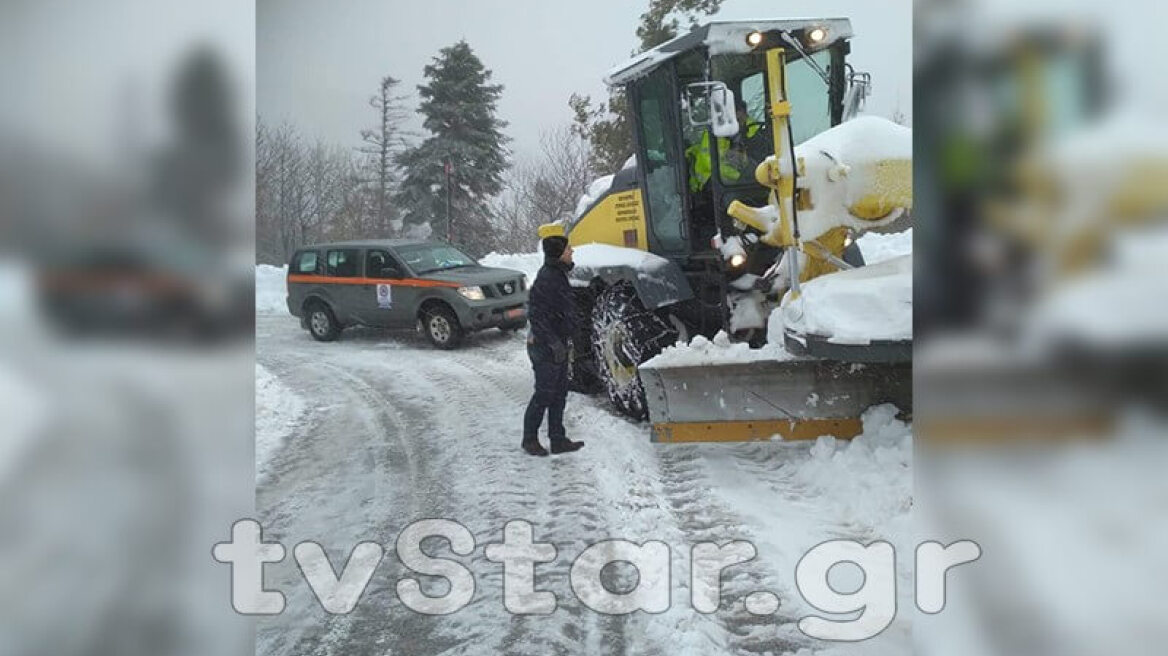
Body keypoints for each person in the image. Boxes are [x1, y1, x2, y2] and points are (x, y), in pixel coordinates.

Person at [522, 235, 585, 456]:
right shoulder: (548, 278)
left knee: (559, 394)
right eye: (568, 249)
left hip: (557, 343)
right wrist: (553, 343)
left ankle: (557, 440)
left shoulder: (558, 275)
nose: (572, 251)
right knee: (544, 395)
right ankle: (529, 440)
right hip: (544, 346)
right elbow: (537, 317)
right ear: (559, 253)